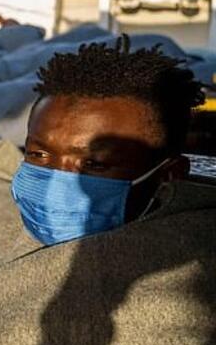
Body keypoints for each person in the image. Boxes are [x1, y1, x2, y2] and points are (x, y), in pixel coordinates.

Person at [11, 37, 204, 245]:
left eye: (93, 164)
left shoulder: (182, 268)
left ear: (168, 175)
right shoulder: (10, 243)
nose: (54, 190)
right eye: (38, 154)